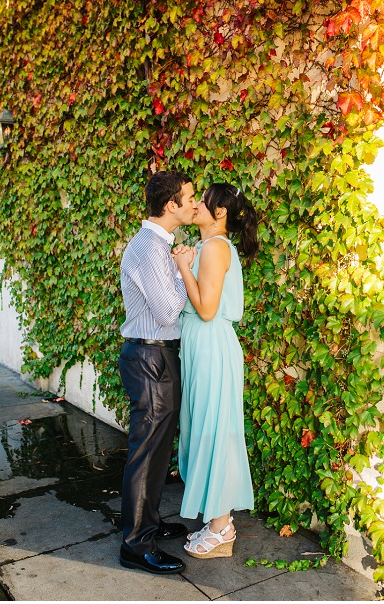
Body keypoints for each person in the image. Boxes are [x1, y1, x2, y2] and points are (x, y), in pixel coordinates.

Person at [172, 183, 259, 558]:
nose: (196, 205)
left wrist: (181, 267)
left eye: (202, 201)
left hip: (211, 345)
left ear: (219, 212)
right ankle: (216, 521)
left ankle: (223, 528)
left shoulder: (216, 248)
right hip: (203, 346)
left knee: (214, 430)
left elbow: (207, 309)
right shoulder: (211, 247)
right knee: (205, 427)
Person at [118, 170, 197, 575]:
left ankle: (145, 523)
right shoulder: (150, 248)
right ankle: (136, 544)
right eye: (189, 197)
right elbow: (167, 311)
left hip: (157, 356)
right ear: (172, 205)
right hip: (150, 357)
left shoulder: (156, 244)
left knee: (156, 449)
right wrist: (185, 268)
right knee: (147, 453)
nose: (194, 202)